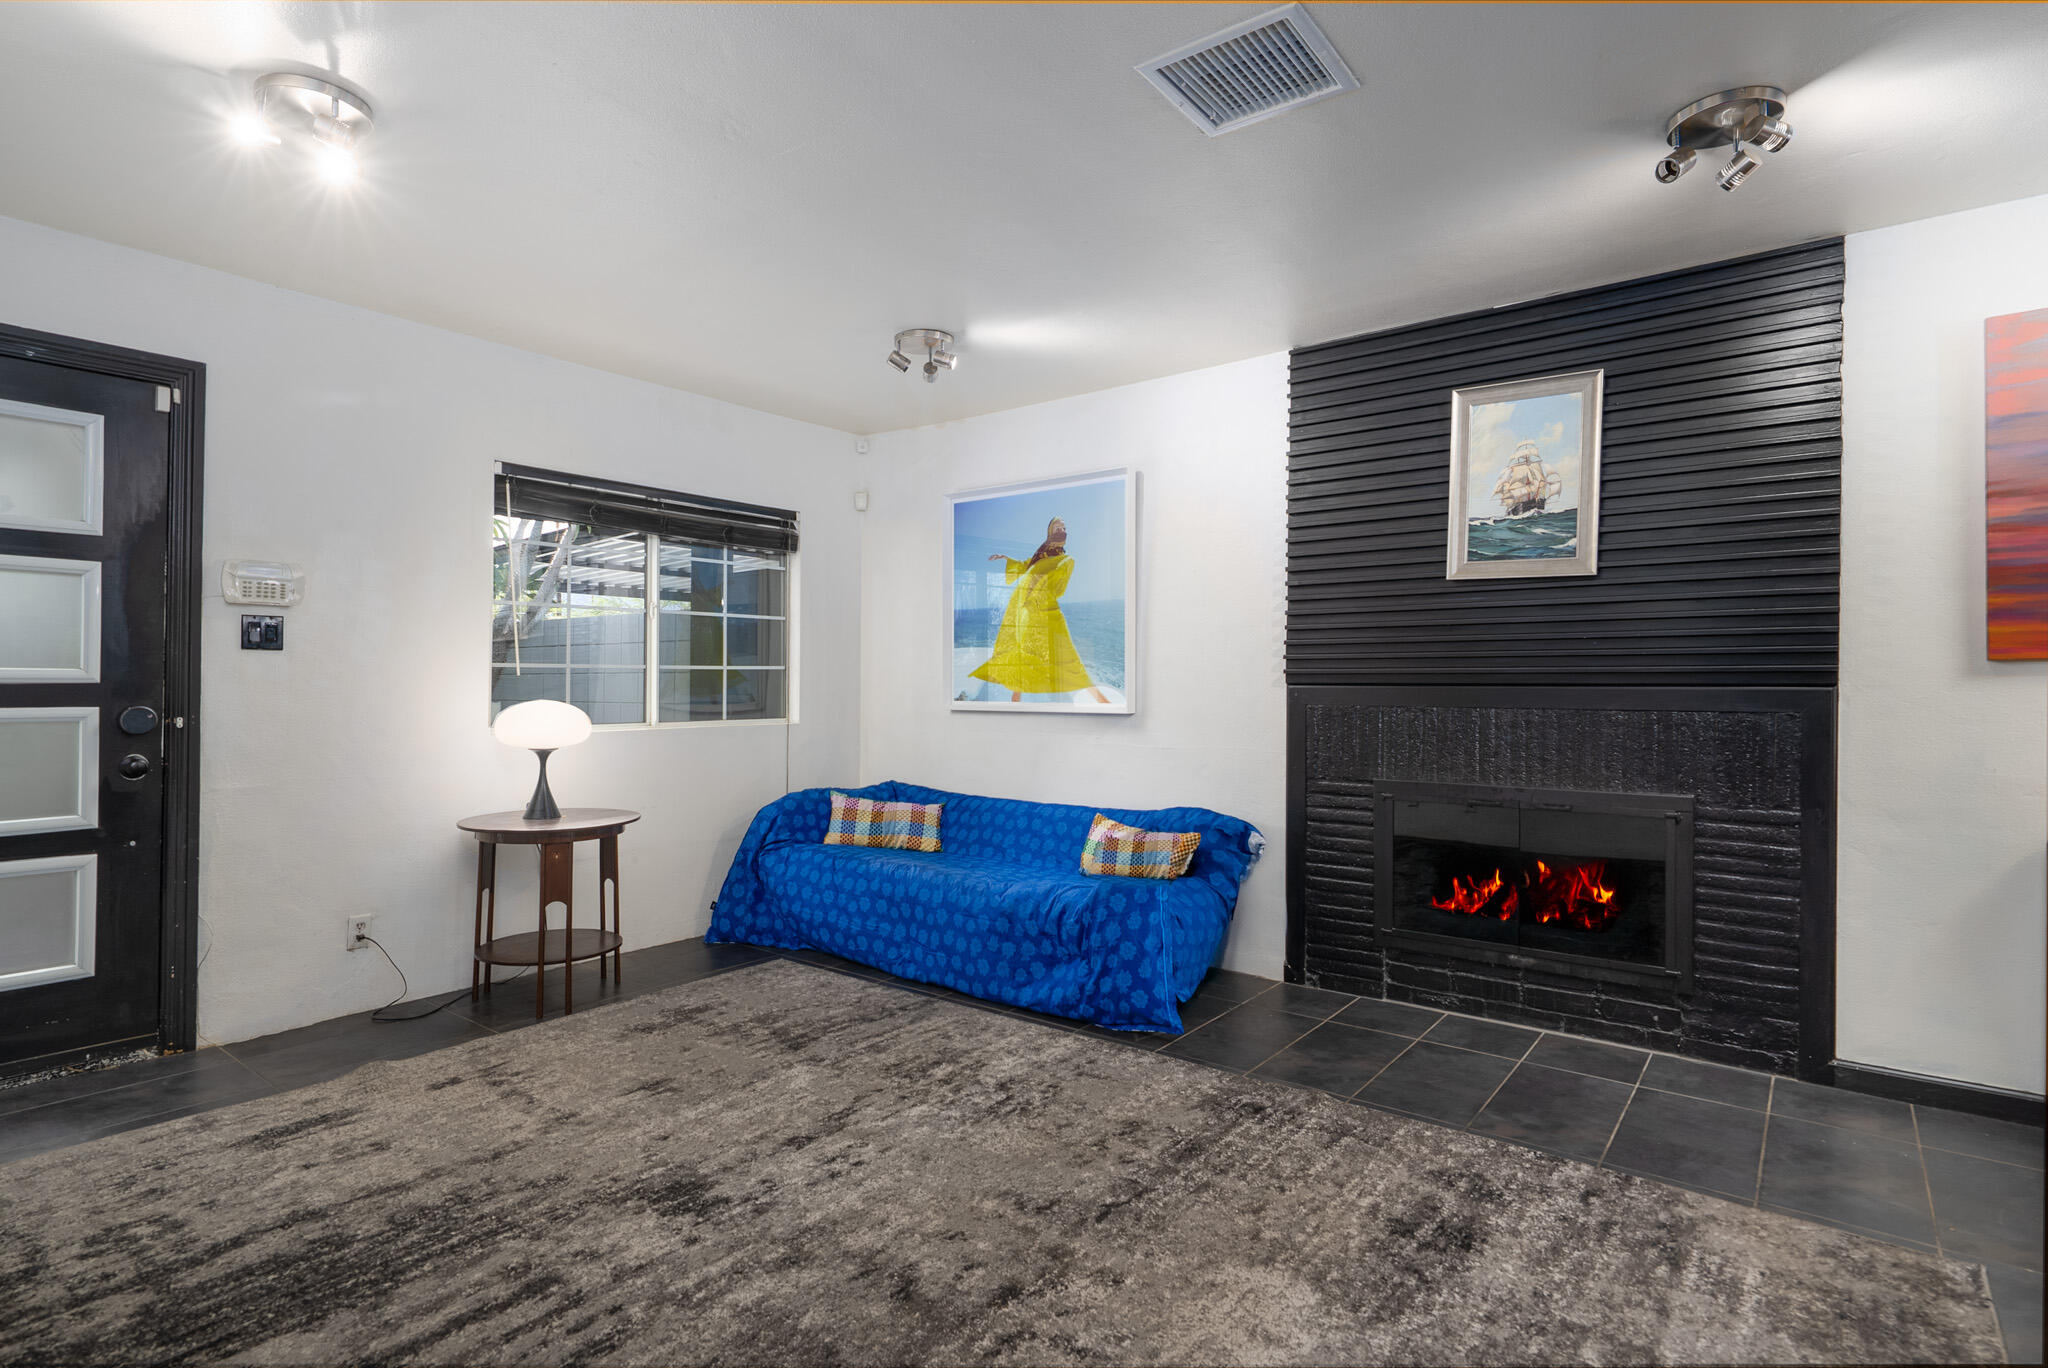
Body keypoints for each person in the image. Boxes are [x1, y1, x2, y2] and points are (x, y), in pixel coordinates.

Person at [970, 517, 1110, 704]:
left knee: (1068, 657)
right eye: (1058, 527)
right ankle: (1015, 699)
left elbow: (1058, 590)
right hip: (1026, 612)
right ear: (1050, 532)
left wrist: (1046, 583)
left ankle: (1101, 700)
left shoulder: (1065, 560)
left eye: (1064, 528)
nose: (1062, 530)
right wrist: (1006, 558)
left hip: (1048, 613)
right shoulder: (1039, 557)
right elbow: (1023, 567)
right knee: (1024, 653)